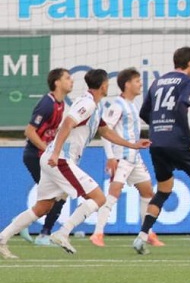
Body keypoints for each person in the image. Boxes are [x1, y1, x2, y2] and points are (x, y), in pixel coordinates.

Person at [0, 68, 149, 258]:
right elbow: (67, 123)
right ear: (104, 86)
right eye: (107, 84)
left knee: (42, 207)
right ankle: (63, 233)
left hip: (54, 159)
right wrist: (56, 153)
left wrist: (132, 144)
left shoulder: (94, 106)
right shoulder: (87, 103)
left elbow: (105, 131)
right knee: (99, 198)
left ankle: (2, 238)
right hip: (60, 160)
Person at [133, 46, 190, 254]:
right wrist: (189, 141)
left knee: (163, 190)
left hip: (157, 141)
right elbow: (181, 107)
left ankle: (141, 236)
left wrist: (159, 127)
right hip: (177, 141)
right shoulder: (188, 82)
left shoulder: (158, 82)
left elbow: (144, 112)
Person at [89, 68, 164, 248]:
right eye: (137, 81)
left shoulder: (133, 105)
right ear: (127, 84)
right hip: (121, 157)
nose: (140, 84)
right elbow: (104, 131)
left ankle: (148, 233)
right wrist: (110, 157)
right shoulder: (117, 105)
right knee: (113, 194)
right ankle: (97, 233)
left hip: (134, 157)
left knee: (148, 192)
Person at [19, 68, 73, 245]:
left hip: (43, 156)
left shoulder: (60, 104)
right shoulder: (47, 104)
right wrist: (48, 150)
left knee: (57, 195)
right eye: (67, 78)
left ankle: (27, 225)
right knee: (59, 193)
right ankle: (43, 234)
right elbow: (29, 131)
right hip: (35, 156)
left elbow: (50, 132)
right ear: (57, 82)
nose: (71, 81)